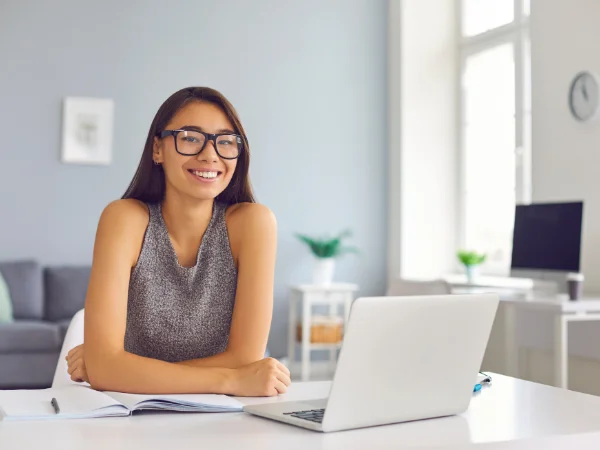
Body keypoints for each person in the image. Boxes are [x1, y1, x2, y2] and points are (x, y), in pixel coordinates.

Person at [65, 87, 291, 396]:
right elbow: (106, 368)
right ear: (157, 149)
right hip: (130, 419)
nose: (210, 154)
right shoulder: (124, 219)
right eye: (190, 138)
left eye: (225, 141)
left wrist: (121, 370)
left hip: (222, 421)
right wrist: (232, 379)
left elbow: (246, 358)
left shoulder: (254, 224)